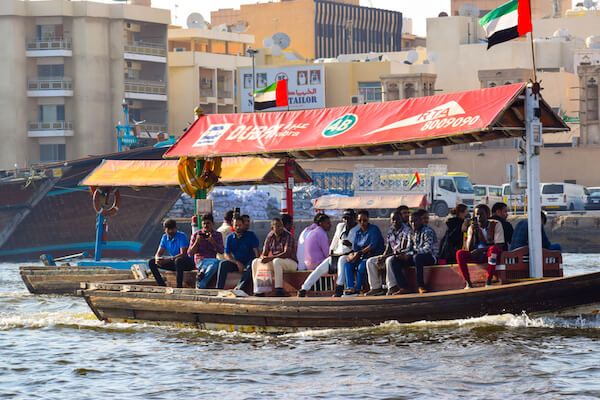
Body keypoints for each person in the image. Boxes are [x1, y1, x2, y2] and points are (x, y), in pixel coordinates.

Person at [297, 209, 359, 298]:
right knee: (320, 269)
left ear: (354, 218)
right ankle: (304, 289)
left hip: (349, 254)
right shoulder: (340, 226)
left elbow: (357, 245)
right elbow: (335, 240)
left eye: (349, 218)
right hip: (337, 254)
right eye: (345, 219)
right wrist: (331, 252)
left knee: (342, 261)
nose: (346, 221)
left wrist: (350, 245)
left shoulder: (357, 228)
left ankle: (339, 288)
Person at [364, 206, 411, 296]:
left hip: (401, 256)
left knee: (389, 260)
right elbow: (388, 248)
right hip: (391, 254)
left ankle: (392, 287)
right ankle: (376, 288)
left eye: (397, 219)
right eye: (393, 220)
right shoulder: (391, 231)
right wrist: (382, 257)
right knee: (370, 261)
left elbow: (403, 248)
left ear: (401, 219)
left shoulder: (406, 230)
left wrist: (385, 257)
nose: (395, 222)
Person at [389, 209, 438, 294]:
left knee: (417, 257)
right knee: (394, 260)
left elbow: (427, 249)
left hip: (430, 257)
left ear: (421, 221)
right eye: (411, 222)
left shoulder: (427, 231)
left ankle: (421, 286)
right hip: (415, 256)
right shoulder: (411, 232)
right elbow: (409, 248)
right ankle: (404, 287)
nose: (413, 223)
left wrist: (411, 254)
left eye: (415, 221)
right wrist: (402, 253)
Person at [456, 204, 504, 288]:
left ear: (487, 215)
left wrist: (481, 250)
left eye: (481, 214)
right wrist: (474, 232)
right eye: (477, 214)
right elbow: (469, 248)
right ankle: (468, 283)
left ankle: (488, 281)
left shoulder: (496, 224)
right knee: (460, 253)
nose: (479, 216)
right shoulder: (472, 227)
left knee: (493, 250)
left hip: (491, 254)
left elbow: (499, 245)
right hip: (478, 254)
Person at [251, 218, 297, 296]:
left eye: (281, 226)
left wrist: (270, 258)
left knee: (276, 261)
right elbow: (264, 252)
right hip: (276, 262)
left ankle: (279, 290)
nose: (281, 228)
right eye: (278, 226)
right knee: (256, 262)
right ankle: (259, 290)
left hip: (291, 262)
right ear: (272, 228)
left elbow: (287, 253)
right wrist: (262, 258)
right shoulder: (270, 236)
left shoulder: (288, 235)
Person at [343, 210, 384, 296]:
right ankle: (350, 287)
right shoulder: (358, 232)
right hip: (362, 256)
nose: (362, 223)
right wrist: (352, 256)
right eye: (360, 220)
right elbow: (356, 248)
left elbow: (372, 245)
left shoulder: (373, 229)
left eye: (364, 220)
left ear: (368, 219)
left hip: (374, 256)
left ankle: (358, 288)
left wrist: (358, 253)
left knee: (362, 265)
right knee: (347, 264)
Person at [147, 219, 195, 288]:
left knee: (179, 260)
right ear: (164, 230)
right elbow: (159, 253)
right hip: (174, 263)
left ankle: (179, 286)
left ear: (176, 228)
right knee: (151, 262)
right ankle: (162, 285)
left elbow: (183, 254)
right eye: (168, 229)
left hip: (186, 263)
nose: (171, 231)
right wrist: (157, 259)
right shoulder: (164, 237)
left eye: (172, 229)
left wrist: (167, 260)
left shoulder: (181, 236)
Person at [215, 216, 260, 290]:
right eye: (236, 225)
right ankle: (219, 288)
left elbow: (256, 252)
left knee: (249, 268)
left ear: (243, 225)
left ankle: (239, 288)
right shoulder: (230, 237)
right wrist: (237, 263)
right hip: (237, 262)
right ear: (233, 225)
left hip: (249, 262)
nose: (238, 227)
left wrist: (257, 263)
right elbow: (226, 254)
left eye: (240, 225)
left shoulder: (251, 235)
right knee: (223, 264)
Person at [188, 213, 224, 289]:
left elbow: (221, 251)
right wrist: (197, 242)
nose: (206, 226)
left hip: (212, 260)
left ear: (212, 223)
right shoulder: (196, 235)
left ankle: (201, 278)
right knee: (216, 262)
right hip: (200, 260)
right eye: (204, 223)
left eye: (208, 223)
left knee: (215, 263)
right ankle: (201, 280)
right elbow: (190, 253)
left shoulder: (217, 235)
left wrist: (213, 242)